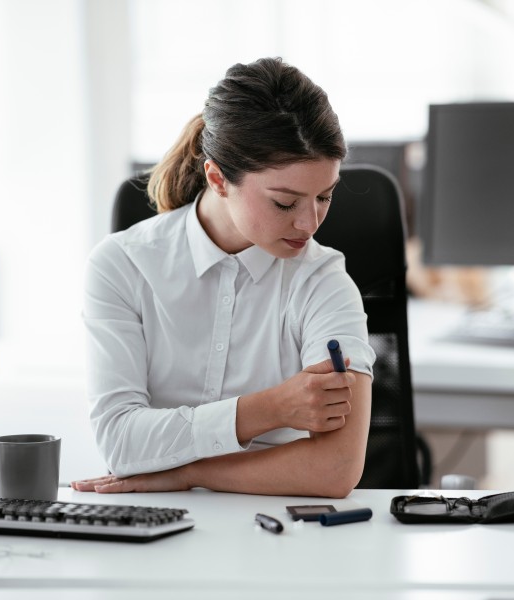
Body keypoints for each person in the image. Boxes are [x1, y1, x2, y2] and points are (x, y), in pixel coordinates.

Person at [72, 57, 375, 499]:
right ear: (217, 178)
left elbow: (337, 468)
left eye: (324, 196)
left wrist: (188, 473)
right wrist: (271, 408)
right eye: (286, 203)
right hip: (151, 528)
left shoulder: (323, 280)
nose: (310, 223)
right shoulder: (122, 265)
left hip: (281, 533)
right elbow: (121, 442)